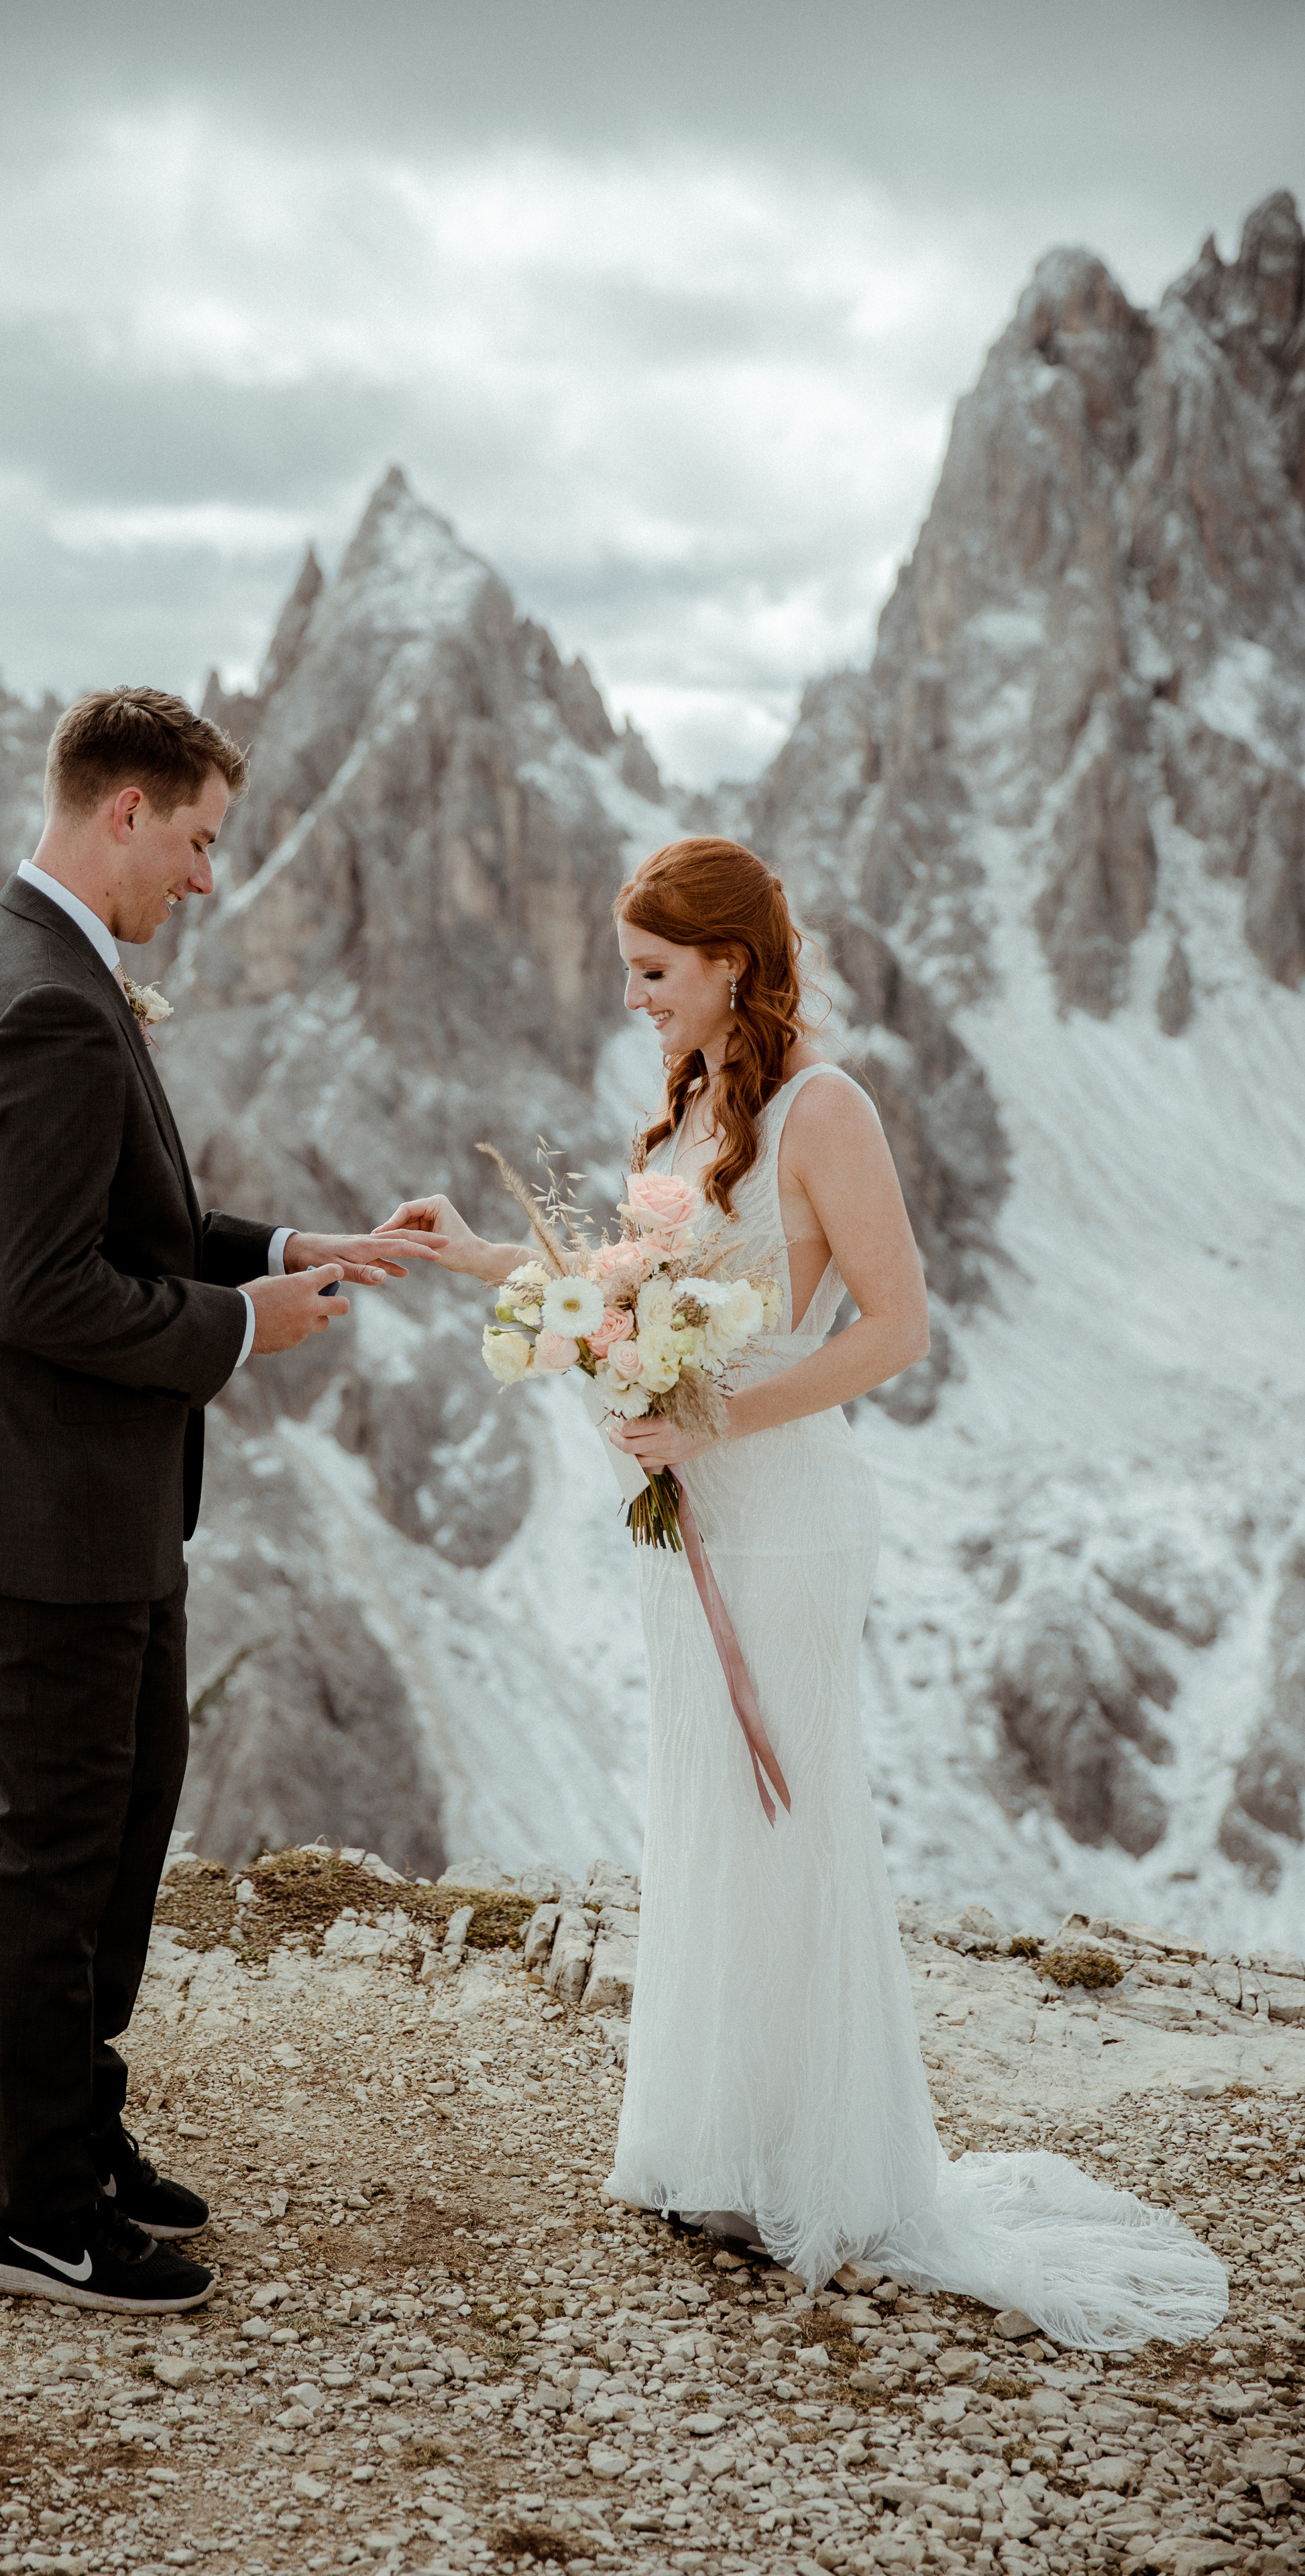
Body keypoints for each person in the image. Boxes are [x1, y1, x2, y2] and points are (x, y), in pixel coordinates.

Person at [381, 836, 1226, 2349]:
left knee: (786, 1811)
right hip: (693, 1519)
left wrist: (710, 1417)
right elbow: (625, 1296)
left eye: (651, 972)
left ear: (726, 964)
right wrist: (475, 1262)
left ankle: (813, 2167)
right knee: (705, 1806)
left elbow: (895, 1328)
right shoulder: (699, 1101)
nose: (631, 998)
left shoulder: (824, 1109)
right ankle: (719, 2147)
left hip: (785, 1517)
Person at [0, 687, 443, 2316]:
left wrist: (294, 1251)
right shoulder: (43, 1003)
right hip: (43, 1513)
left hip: (98, 1502)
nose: (207, 879)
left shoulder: (44, 966)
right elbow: (47, 1288)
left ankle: (73, 2131)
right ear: (123, 812)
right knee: (57, 1850)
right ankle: (32, 2214)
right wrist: (242, 1330)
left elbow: (132, 1223)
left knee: (122, 1829)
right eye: (199, 839)